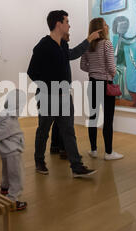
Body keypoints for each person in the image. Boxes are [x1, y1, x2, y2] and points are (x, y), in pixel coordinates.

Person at [27, 10, 97, 178]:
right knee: (43, 131)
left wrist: (88, 40)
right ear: (58, 24)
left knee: (68, 131)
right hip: (48, 97)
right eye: (67, 21)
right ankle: (39, 161)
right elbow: (32, 71)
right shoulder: (43, 46)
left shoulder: (63, 45)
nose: (69, 24)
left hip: (65, 96)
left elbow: (72, 54)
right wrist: (47, 88)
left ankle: (76, 166)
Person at [50, 30, 101, 159]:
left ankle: (55, 146)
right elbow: (73, 54)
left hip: (56, 89)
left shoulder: (54, 46)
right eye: (67, 29)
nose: (70, 32)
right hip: (60, 90)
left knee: (57, 120)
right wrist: (89, 39)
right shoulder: (61, 46)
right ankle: (65, 150)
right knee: (66, 123)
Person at [80, 17, 123, 160]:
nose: (108, 26)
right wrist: (113, 73)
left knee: (93, 118)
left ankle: (93, 150)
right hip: (105, 85)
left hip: (92, 83)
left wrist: (93, 70)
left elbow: (82, 66)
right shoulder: (107, 44)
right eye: (105, 24)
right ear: (100, 29)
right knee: (108, 119)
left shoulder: (88, 45)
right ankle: (109, 153)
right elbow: (111, 67)